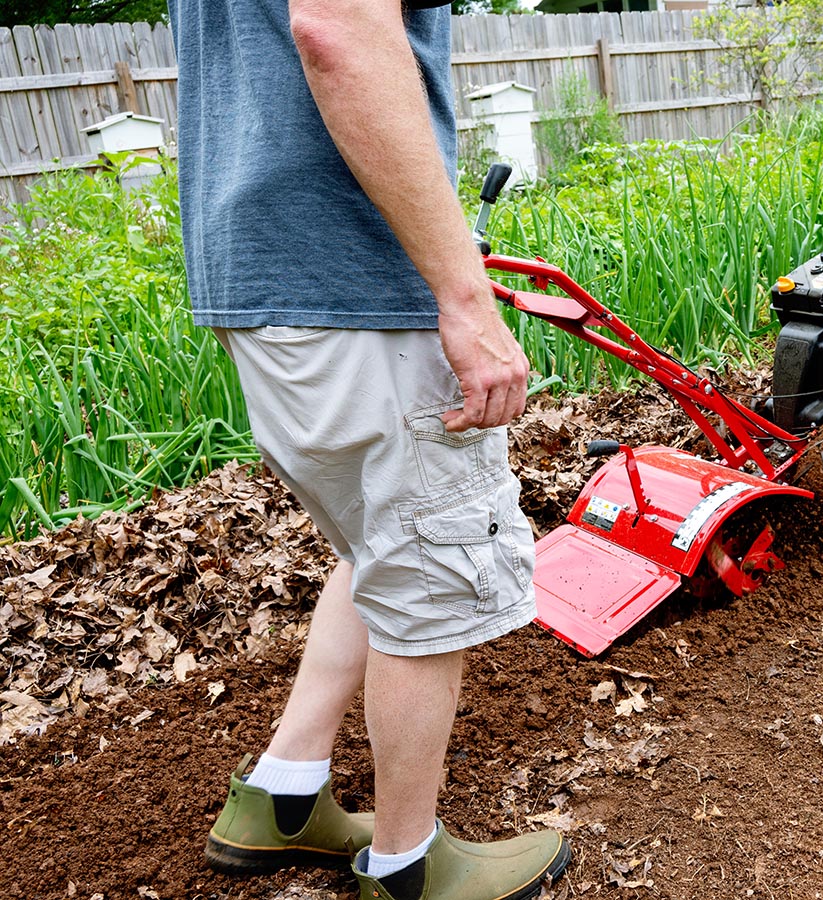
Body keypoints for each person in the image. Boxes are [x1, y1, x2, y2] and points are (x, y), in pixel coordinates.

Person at [166, 2, 570, 899]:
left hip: (259, 276)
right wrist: (464, 295)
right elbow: (336, 31)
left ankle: (282, 795)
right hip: (349, 279)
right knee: (431, 576)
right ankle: (408, 864)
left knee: (377, 544)